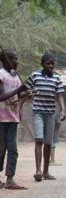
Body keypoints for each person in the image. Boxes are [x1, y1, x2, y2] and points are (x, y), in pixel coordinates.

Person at [26, 54, 65, 182]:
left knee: (48, 143)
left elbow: (59, 95)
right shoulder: (35, 76)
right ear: (42, 64)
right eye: (48, 63)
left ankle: (46, 172)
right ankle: (38, 171)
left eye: (52, 64)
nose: (51, 66)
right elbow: (26, 89)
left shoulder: (57, 78)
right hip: (38, 112)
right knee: (39, 140)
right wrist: (29, 93)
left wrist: (63, 110)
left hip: (51, 113)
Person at [0, 49, 30, 190]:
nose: (16, 61)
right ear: (5, 59)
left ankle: (10, 179)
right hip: (1, 118)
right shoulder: (1, 75)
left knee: (12, 149)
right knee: (1, 149)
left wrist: (25, 93)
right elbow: (1, 97)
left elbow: (16, 96)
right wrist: (18, 91)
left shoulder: (15, 77)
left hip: (12, 118)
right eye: (13, 58)